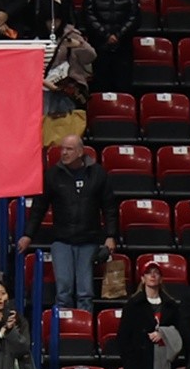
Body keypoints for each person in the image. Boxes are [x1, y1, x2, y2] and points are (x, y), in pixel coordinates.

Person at [18, 134, 118, 313]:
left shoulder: (98, 174)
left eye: (69, 149)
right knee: (63, 291)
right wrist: (28, 234)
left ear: (80, 152)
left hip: (89, 239)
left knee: (85, 292)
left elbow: (109, 207)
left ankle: (84, 330)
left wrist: (111, 236)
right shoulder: (52, 176)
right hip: (62, 240)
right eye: (62, 149)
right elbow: (39, 208)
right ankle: (64, 331)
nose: (63, 153)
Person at [118, 262, 183, 369]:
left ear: (161, 279)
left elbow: (180, 332)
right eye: (149, 273)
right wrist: (132, 362)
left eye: (156, 273)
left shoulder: (171, 306)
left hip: (164, 364)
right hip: (139, 367)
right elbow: (124, 337)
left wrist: (164, 333)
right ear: (142, 278)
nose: (152, 276)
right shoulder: (133, 305)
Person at [82, 0, 140, 93]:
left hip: (123, 44)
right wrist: (106, 34)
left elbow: (134, 16)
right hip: (100, 44)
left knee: (123, 85)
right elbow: (88, 14)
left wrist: (118, 35)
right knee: (101, 84)